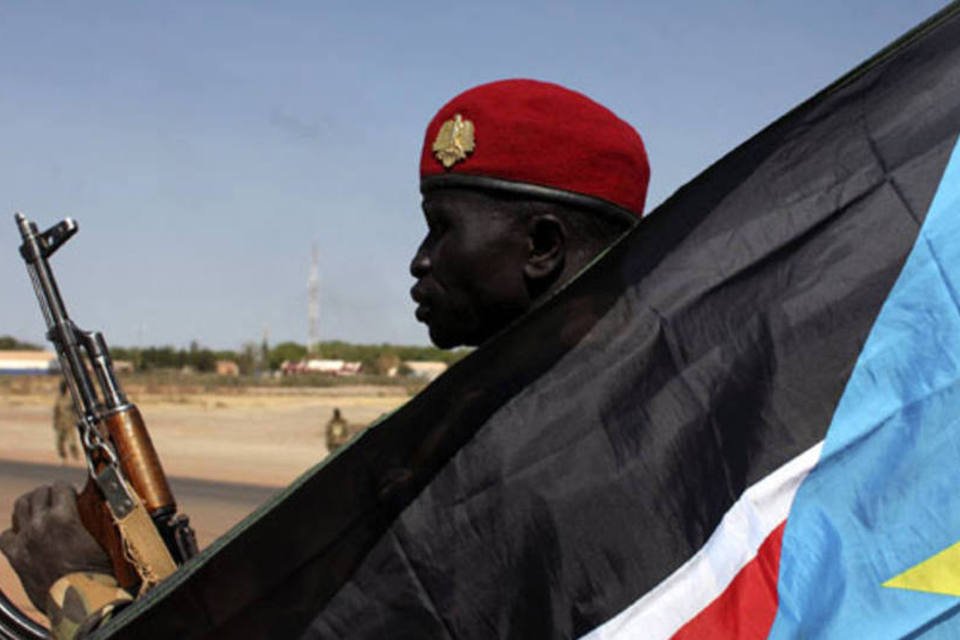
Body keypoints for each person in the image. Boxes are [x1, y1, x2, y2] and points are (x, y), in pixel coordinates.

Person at [0, 78, 650, 638]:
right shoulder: (638, 410)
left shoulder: (515, 472)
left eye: (442, 227)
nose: (420, 259)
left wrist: (78, 595)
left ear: (541, 245)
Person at [52, 381, 81, 464]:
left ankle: (76, 456)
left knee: (72, 442)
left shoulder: (71, 399)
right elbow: (56, 411)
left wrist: (76, 419)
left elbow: (76, 410)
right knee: (59, 442)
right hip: (60, 423)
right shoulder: (58, 399)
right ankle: (63, 457)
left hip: (70, 423)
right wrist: (55, 422)